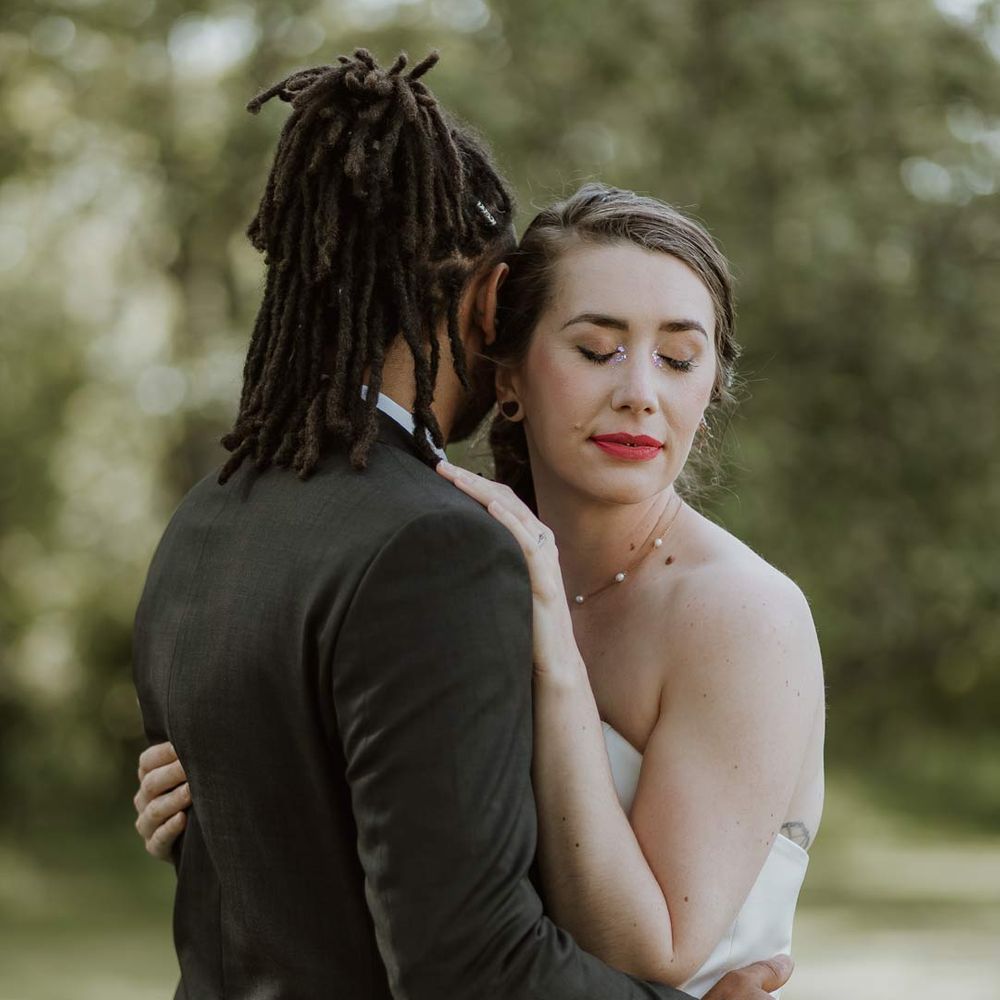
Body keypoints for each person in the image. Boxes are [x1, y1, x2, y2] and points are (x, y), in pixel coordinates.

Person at [131, 48, 798, 1000]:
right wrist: (226, 821)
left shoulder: (216, 511)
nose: (638, 393)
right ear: (500, 331)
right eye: (596, 348)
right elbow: (448, 934)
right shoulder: (441, 551)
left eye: (679, 359)